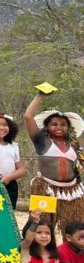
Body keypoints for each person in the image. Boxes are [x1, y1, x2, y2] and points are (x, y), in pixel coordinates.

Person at [24, 91, 84, 234]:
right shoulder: (42, 142)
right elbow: (27, 117)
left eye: (63, 124)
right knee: (42, 226)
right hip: (45, 189)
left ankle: (70, 249)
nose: (59, 127)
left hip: (72, 192)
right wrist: (40, 96)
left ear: (68, 128)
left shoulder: (73, 144)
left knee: (74, 229)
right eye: (54, 124)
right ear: (46, 126)